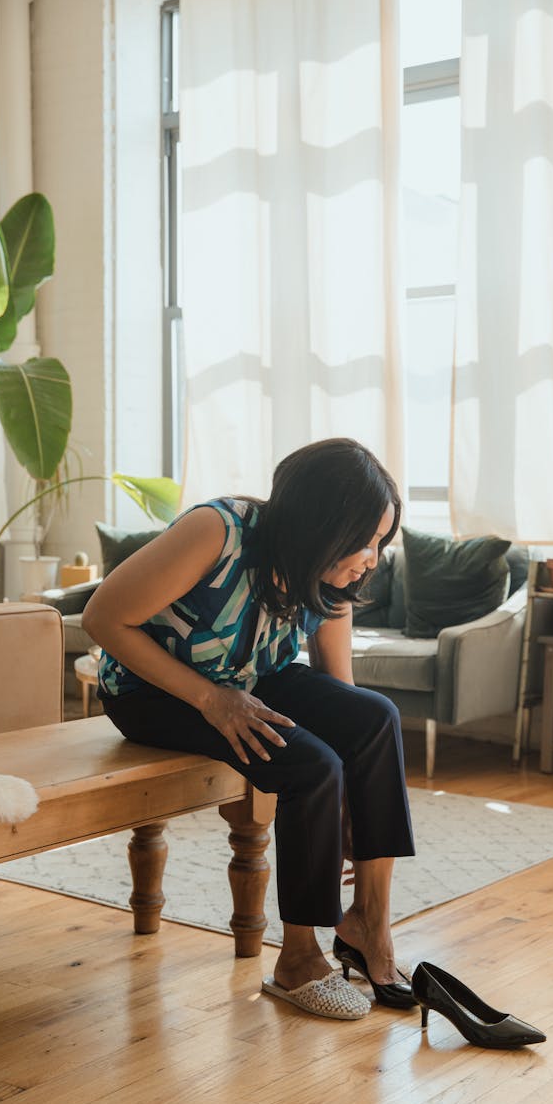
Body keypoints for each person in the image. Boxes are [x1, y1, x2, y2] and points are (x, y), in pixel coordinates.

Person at [83, 437, 416, 1020]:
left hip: (250, 676)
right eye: (366, 542)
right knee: (311, 765)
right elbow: (103, 617)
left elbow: (342, 691)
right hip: (153, 689)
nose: (373, 557)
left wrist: (354, 796)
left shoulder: (330, 575)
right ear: (324, 526)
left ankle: (369, 925)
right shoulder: (219, 531)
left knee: (375, 718)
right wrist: (211, 700)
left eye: (381, 542)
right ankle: (298, 962)